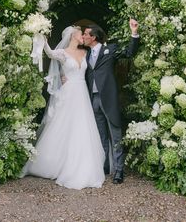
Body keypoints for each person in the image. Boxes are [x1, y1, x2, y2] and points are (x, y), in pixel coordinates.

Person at [21, 26, 105, 190]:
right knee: (64, 127)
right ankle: (54, 163)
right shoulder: (63, 53)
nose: (83, 36)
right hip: (69, 94)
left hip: (82, 95)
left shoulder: (85, 53)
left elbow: (91, 70)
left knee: (82, 128)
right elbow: (50, 53)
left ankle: (82, 164)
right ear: (73, 36)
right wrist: (40, 35)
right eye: (81, 34)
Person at [83, 19, 139, 184]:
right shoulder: (85, 54)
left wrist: (134, 32)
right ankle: (104, 167)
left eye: (86, 34)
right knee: (100, 136)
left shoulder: (110, 49)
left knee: (115, 136)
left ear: (93, 37)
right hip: (92, 100)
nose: (83, 37)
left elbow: (129, 52)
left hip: (108, 98)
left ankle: (119, 171)